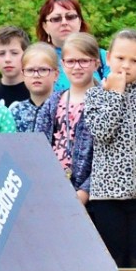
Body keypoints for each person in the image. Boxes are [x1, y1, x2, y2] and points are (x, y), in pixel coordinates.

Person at [83, 29, 136, 271]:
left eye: (134, 60)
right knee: (113, 265)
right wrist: (115, 93)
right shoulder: (95, 96)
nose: (126, 65)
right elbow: (102, 132)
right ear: (108, 58)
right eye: (120, 58)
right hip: (106, 197)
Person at [33, 32, 99, 192]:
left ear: (96, 64)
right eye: (71, 61)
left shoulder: (104, 103)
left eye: (84, 61)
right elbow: (38, 146)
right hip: (52, 186)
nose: (77, 67)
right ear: (62, 64)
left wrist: (85, 191)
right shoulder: (52, 102)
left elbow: (108, 157)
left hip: (90, 191)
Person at [37, 0, 104, 89]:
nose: (64, 23)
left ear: (80, 21)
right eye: (56, 19)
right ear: (45, 26)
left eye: (70, 17)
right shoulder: (37, 60)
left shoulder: (103, 58)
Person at [10, 44, 60, 133]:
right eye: (30, 70)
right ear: (23, 75)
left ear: (56, 75)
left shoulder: (63, 110)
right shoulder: (16, 112)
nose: (36, 75)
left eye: (43, 70)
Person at [0, 26, 31, 105]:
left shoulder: (35, 91)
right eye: (1, 54)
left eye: (14, 53)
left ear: (26, 55)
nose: (7, 59)